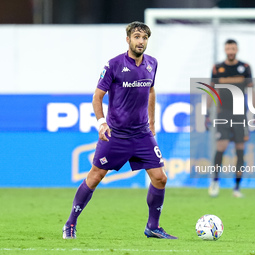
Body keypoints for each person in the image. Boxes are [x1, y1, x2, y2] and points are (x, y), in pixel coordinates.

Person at [62, 21, 177, 239]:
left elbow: (151, 91)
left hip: (142, 134)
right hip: (116, 134)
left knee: (160, 178)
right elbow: (97, 96)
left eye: (144, 38)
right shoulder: (114, 64)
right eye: (136, 37)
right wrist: (101, 122)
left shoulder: (152, 63)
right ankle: (70, 223)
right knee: (95, 176)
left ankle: (152, 226)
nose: (140, 41)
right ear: (128, 39)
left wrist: (152, 123)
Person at [207, 39, 255, 198]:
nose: (230, 50)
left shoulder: (245, 68)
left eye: (233, 48)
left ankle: (236, 187)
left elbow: (251, 91)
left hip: (239, 114)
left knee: (240, 150)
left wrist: (254, 112)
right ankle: (215, 182)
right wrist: (207, 113)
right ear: (225, 49)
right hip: (223, 113)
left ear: (237, 49)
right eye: (228, 48)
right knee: (220, 147)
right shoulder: (217, 68)